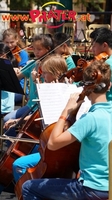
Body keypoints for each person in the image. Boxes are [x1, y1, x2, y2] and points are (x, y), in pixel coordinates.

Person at [21, 60, 112, 200]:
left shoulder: (90, 119)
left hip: (91, 189)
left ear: (86, 88)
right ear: (110, 86)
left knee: (28, 187)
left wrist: (66, 111)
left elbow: (53, 143)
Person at [0, 54, 69, 195]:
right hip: (46, 139)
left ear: (56, 74)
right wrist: (19, 121)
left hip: (52, 144)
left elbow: (49, 116)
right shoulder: (49, 87)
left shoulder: (63, 92)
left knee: (19, 163)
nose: (43, 76)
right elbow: (39, 113)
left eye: (45, 73)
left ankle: (29, 193)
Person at [3, 34, 53, 124]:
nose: (36, 52)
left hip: (43, 106)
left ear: (48, 49)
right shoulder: (33, 64)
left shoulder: (51, 65)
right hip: (31, 105)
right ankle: (13, 138)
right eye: (34, 49)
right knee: (7, 118)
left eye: (39, 49)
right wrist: (10, 71)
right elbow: (16, 78)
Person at [2, 28, 29, 104]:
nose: (9, 45)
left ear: (17, 40)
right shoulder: (2, 53)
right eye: (6, 42)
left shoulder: (22, 54)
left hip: (18, 88)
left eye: (12, 42)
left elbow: (19, 74)